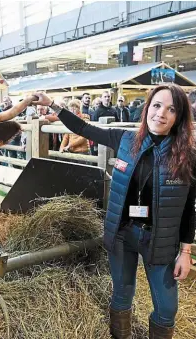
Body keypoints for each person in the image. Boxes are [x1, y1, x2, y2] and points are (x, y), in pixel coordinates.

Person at [32, 84, 195, 339]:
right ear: (147, 109)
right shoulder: (125, 139)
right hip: (122, 233)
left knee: (166, 308)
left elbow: (188, 208)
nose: (161, 114)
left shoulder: (186, 155)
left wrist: (185, 252)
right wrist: (53, 104)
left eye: (171, 109)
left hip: (161, 239)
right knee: (122, 294)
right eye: (157, 105)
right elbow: (84, 129)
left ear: (179, 117)